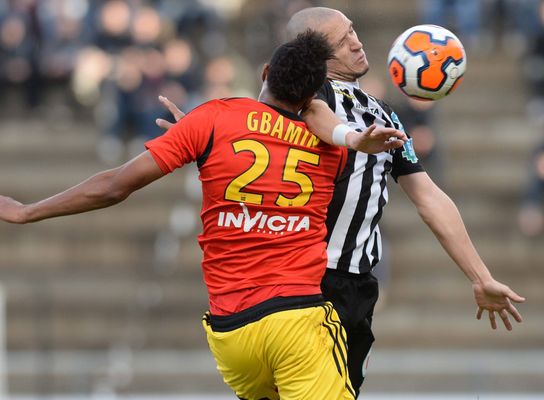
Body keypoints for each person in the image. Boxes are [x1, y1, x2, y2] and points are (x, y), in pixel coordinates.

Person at [0, 31, 406, 400]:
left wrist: (26, 211)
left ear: (265, 72)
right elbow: (310, 128)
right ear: (314, 95)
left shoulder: (213, 119)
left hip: (232, 335)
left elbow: (113, 186)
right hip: (296, 322)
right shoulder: (330, 151)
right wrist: (350, 136)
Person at [157, 7, 526, 397]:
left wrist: (480, 276)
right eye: (343, 40)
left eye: (354, 31)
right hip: (306, 282)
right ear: (315, 57)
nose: (357, 42)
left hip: (356, 287)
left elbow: (429, 196)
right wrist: (349, 138)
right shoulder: (309, 96)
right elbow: (306, 114)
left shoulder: (382, 113)